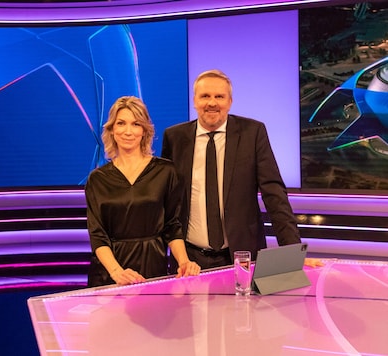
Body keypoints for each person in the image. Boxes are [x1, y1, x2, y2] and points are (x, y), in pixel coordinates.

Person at [161, 69, 322, 270]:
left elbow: (274, 194)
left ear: (230, 101)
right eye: (205, 96)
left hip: (243, 256)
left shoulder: (252, 133)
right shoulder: (175, 138)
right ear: (195, 100)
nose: (212, 103)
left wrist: (292, 251)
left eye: (219, 96)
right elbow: (168, 201)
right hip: (190, 261)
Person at [85, 96, 201, 287]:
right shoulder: (97, 179)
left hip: (153, 268)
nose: (128, 131)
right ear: (112, 130)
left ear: (144, 130)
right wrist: (117, 273)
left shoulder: (165, 172)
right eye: (121, 123)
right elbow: (98, 236)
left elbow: (172, 226)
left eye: (136, 124)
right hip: (110, 274)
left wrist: (184, 262)